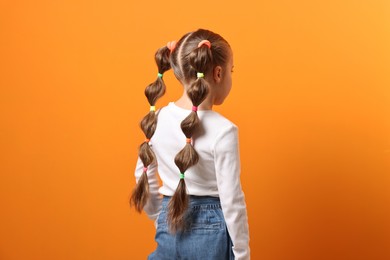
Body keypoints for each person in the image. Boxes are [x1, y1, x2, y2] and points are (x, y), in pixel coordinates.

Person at [130, 28, 250, 260]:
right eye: (231, 70)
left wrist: (160, 215)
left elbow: (142, 172)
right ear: (217, 73)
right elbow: (232, 200)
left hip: (169, 216)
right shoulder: (224, 130)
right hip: (211, 225)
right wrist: (242, 254)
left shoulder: (158, 118)